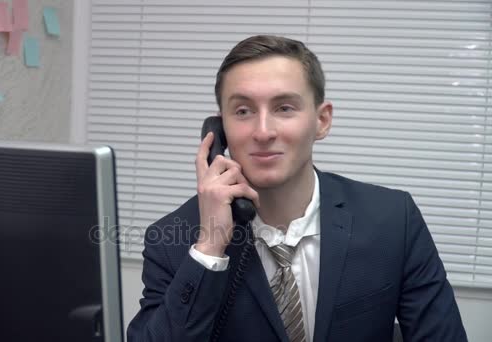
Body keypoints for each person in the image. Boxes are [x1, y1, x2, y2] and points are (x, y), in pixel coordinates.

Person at [126, 35, 467, 342]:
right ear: (220, 129)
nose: (262, 131)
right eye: (243, 111)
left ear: (322, 121)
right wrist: (211, 246)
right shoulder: (173, 240)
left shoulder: (394, 220)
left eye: (284, 108)